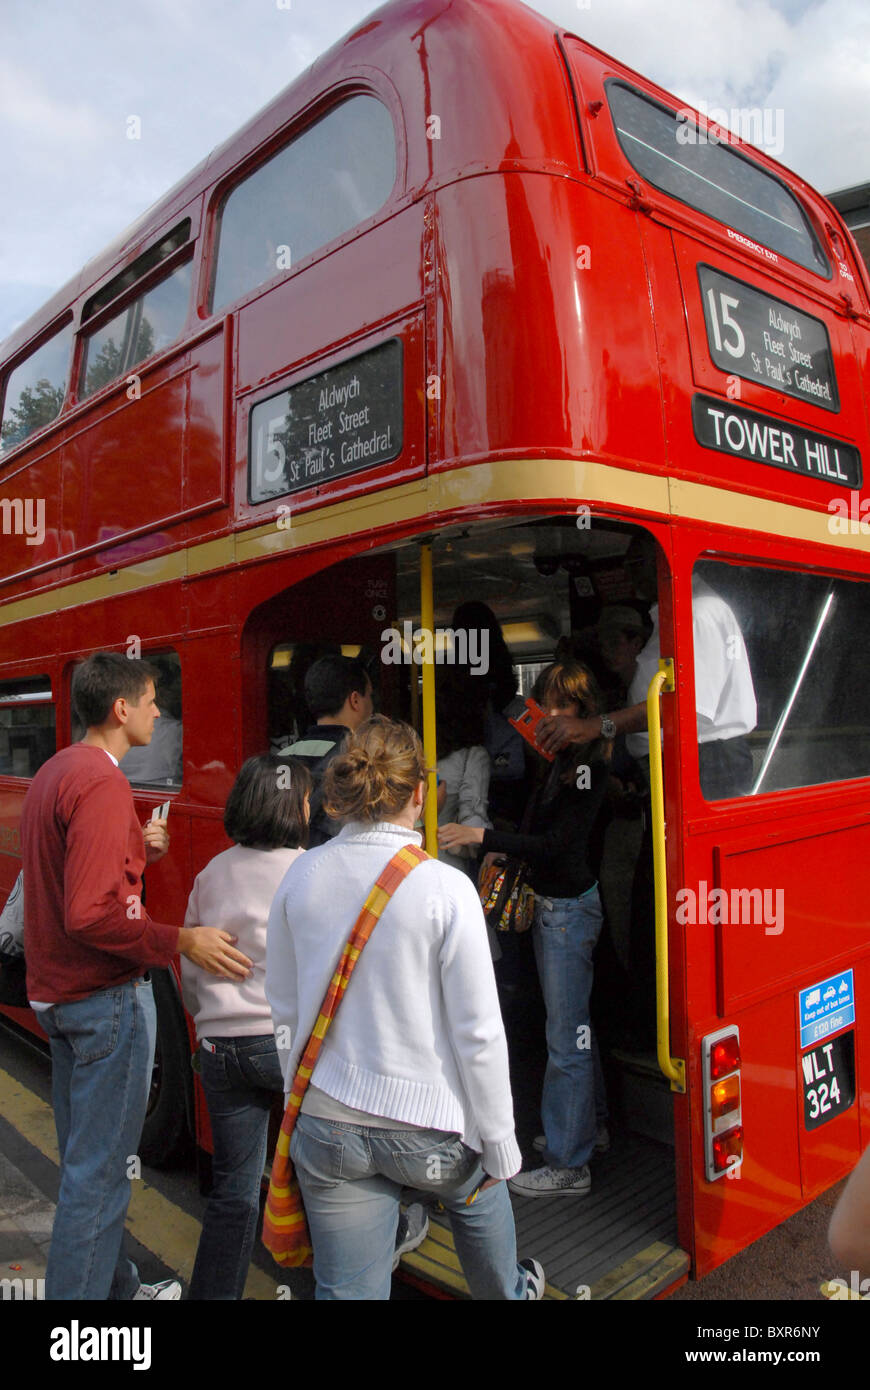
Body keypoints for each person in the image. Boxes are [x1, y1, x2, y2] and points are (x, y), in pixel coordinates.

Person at [266, 715, 544, 1300]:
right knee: (481, 1191)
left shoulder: (298, 876)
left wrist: (306, 1104)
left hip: (329, 1124)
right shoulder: (446, 889)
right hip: (434, 1134)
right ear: (420, 793)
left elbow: (285, 1012)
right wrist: (500, 1141)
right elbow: (479, 1035)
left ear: (340, 793)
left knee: (346, 1293)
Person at [20, 652, 252, 1301]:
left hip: (58, 996)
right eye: (152, 700)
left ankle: (117, 1287)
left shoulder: (58, 770)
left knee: (85, 1168)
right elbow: (91, 913)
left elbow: (73, 875)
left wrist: (134, 847)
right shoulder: (100, 782)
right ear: (121, 709)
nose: (160, 711)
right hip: (103, 1002)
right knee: (99, 1181)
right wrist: (180, 940)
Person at [440, 659, 610, 1198]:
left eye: (562, 706)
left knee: (566, 1040)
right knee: (574, 1029)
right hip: (558, 908)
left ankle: (569, 1162)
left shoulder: (588, 770)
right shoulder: (559, 764)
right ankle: (589, 1128)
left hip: (567, 912)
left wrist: (483, 834)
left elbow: (558, 845)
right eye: (546, 704)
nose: (550, 715)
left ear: (585, 714)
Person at [180, 755, 311, 1300]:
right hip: (283, 1049)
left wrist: (208, 1018)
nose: (312, 806)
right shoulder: (309, 870)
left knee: (234, 1192)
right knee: (321, 1181)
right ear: (291, 807)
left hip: (219, 1047)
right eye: (306, 798)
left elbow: (189, 968)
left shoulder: (212, 872)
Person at [537, 532, 757, 801]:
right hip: (676, 761)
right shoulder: (675, 612)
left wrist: (594, 726)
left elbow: (681, 707)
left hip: (706, 762)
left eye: (635, 562)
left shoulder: (698, 612)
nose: (629, 573)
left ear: (663, 558)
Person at [277, 653, 374, 846]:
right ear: (355, 700)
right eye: (370, 696)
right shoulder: (365, 759)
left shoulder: (280, 759)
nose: (372, 704)